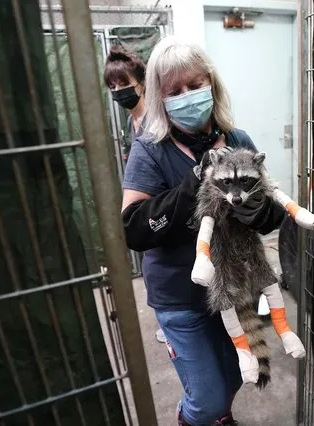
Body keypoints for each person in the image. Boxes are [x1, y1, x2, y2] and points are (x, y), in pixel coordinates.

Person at [120, 36, 285, 426]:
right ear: (161, 97)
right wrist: (197, 183)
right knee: (207, 398)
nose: (187, 95)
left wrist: (257, 209)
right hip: (180, 295)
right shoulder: (150, 149)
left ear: (211, 83)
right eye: (174, 90)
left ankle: (218, 414)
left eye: (194, 85)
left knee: (233, 374)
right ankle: (190, 418)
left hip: (232, 290)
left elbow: (273, 219)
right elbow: (135, 229)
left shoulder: (239, 140)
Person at [103, 44, 168, 344]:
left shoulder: (158, 120)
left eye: (124, 84)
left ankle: (172, 328)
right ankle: (167, 323)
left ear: (142, 84)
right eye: (113, 86)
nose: (118, 91)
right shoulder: (133, 121)